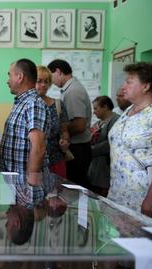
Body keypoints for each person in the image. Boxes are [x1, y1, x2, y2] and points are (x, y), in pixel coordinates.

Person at [107, 62, 152, 220]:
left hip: (144, 197)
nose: (123, 87)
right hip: (118, 193)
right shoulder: (130, 109)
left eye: (129, 82)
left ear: (146, 86)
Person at [0, 59, 48, 183]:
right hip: (12, 181)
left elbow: (38, 147)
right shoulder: (22, 103)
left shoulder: (33, 103)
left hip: (23, 184)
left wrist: (30, 185)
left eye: (10, 75)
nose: (7, 80)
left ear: (20, 77)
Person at [48, 59, 92, 187]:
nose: (50, 83)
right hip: (76, 147)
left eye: (50, 78)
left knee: (74, 187)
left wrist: (57, 132)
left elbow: (79, 125)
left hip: (77, 149)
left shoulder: (73, 91)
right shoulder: (70, 89)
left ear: (58, 71)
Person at [35, 66, 70, 178]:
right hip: (33, 161)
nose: (43, 85)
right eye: (39, 81)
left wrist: (65, 140)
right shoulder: (27, 105)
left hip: (54, 160)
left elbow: (64, 131)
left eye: (46, 81)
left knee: (56, 193)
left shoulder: (58, 104)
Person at [87, 96, 119, 197]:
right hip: (95, 168)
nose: (94, 112)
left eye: (96, 108)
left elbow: (110, 143)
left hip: (106, 169)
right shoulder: (98, 123)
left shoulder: (116, 121)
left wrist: (89, 150)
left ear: (105, 107)